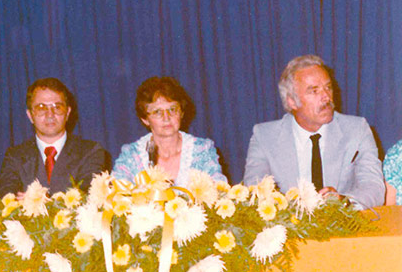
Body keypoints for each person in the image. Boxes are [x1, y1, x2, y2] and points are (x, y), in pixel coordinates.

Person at [244, 54, 384, 209]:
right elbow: (254, 193)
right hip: (289, 229)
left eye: (328, 87)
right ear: (292, 101)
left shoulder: (357, 130)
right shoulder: (264, 137)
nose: (326, 97)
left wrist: (344, 202)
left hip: (345, 227)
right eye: (314, 91)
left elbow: (374, 188)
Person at [0, 77, 110, 196]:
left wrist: (36, 201)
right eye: (41, 108)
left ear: (67, 113)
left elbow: (88, 196)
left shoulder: (90, 151)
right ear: (30, 115)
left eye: (57, 107)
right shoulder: (14, 156)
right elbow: (7, 199)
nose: (50, 115)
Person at [112, 77, 226, 186]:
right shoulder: (131, 155)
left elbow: (219, 191)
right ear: (145, 119)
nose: (166, 118)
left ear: (181, 113)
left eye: (172, 109)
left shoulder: (203, 150)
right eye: (157, 112)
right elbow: (116, 194)